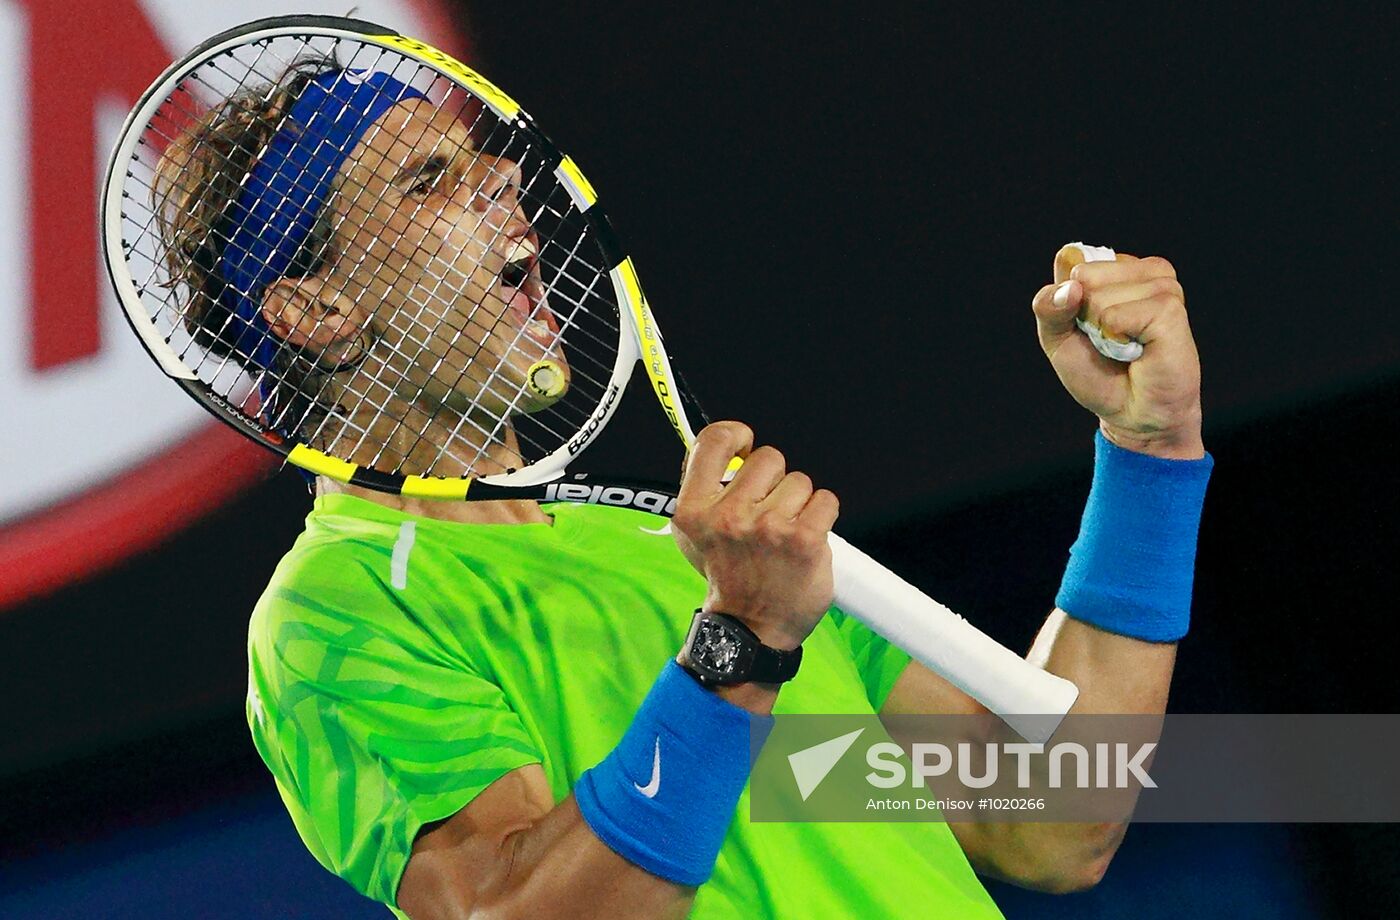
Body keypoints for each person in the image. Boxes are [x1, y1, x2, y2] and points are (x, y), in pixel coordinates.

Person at [159, 61, 1212, 919]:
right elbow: (510, 912)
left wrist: (1149, 446)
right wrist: (739, 647)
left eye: (478, 157)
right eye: (428, 180)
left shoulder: (683, 548)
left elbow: (1055, 819)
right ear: (317, 309)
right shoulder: (335, 610)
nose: (497, 181)